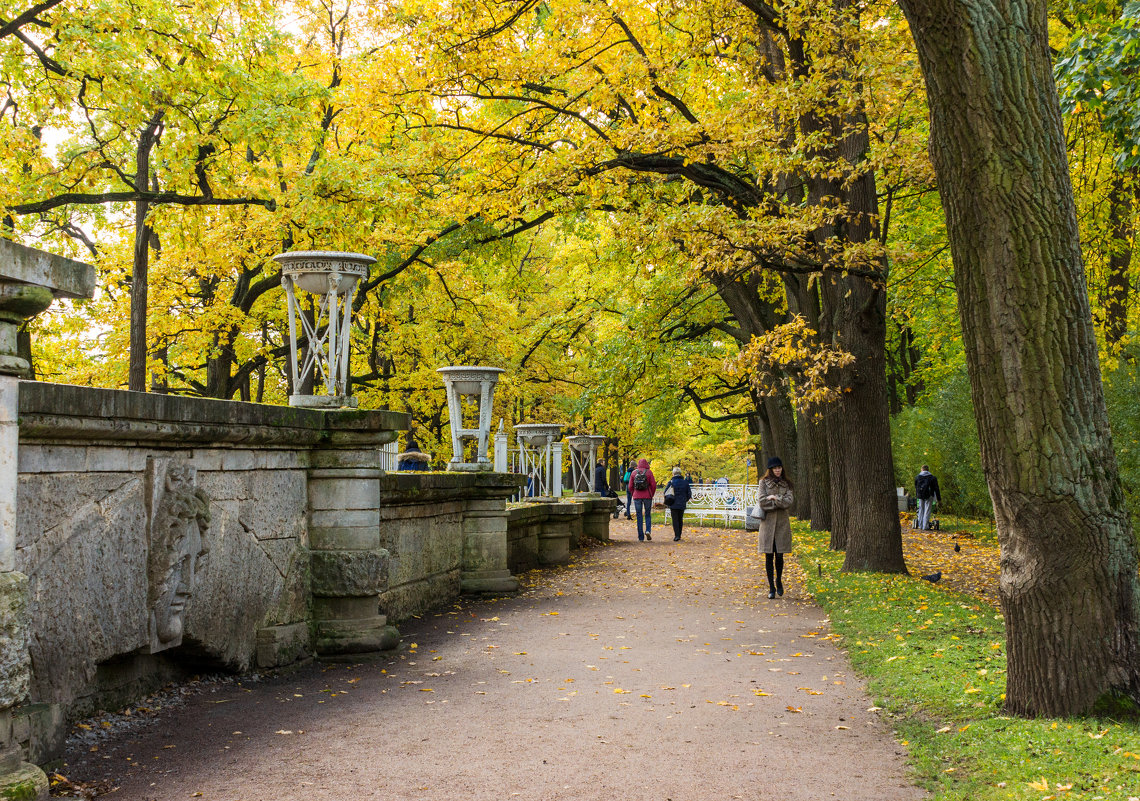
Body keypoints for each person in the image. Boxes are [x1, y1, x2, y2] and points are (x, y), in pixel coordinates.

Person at [757, 456, 794, 599]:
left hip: (782, 524)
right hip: (767, 524)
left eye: (779, 468)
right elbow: (761, 502)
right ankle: (771, 587)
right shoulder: (763, 482)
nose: (778, 470)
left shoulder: (787, 484)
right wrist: (779, 501)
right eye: (775, 468)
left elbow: (789, 502)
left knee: (780, 555)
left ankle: (779, 580)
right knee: (768, 555)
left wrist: (773, 498)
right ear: (770, 469)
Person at [629, 458, 657, 541]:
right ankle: (648, 530)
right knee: (647, 514)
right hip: (647, 496)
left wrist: (633, 494)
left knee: (639, 515)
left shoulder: (634, 473)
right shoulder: (649, 472)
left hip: (637, 496)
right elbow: (653, 485)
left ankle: (640, 537)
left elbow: (630, 486)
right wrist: (651, 494)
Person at [663, 467, 693, 541]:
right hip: (682, 503)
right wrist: (684, 500)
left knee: (675, 519)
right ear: (680, 474)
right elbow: (689, 494)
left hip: (673, 503)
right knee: (680, 519)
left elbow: (665, 492)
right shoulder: (685, 482)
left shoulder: (671, 482)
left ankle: (677, 535)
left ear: (673, 474)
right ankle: (679, 534)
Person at [914, 465, 941, 530]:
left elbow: (916, 487)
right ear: (928, 470)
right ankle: (925, 526)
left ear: (921, 469)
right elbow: (936, 489)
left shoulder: (917, 477)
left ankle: (920, 525)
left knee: (921, 510)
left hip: (920, 496)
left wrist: (917, 495)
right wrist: (939, 499)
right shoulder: (933, 478)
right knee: (927, 510)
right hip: (929, 495)